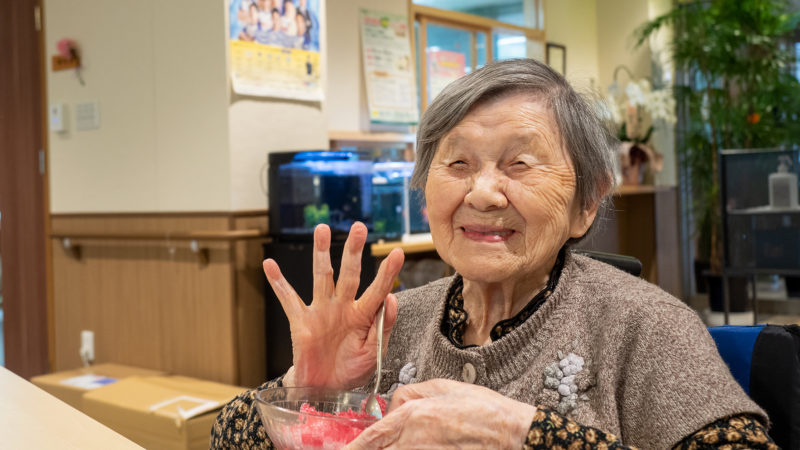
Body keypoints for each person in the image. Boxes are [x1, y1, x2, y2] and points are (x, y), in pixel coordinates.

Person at [211, 59, 776, 449]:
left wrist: (526, 434)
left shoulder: (645, 327)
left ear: (587, 203)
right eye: (457, 164)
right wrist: (307, 392)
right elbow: (224, 437)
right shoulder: (389, 325)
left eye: (519, 164)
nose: (481, 192)